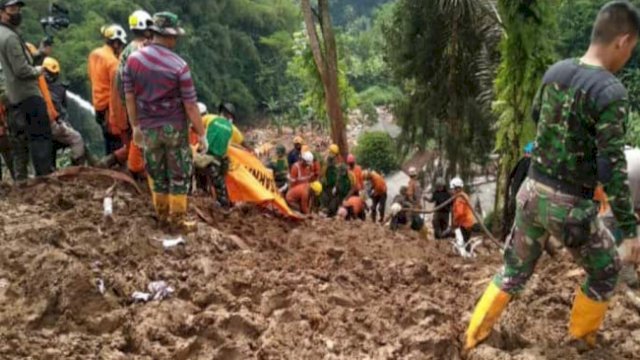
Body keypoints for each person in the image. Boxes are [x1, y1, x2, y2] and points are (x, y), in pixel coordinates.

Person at [465, 2, 640, 350]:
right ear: (622, 41)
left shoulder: (555, 72)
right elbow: (611, 168)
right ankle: (580, 344)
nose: (629, 55)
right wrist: (630, 231)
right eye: (632, 47)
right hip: (570, 205)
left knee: (513, 271)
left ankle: (472, 338)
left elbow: (535, 114)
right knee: (605, 271)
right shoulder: (610, 93)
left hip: (531, 192)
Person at [124, 11, 207, 230]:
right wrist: (201, 133)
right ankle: (178, 221)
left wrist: (135, 127)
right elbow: (190, 105)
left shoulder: (133, 61)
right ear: (169, 36)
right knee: (178, 173)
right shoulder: (179, 66)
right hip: (174, 128)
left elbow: (129, 96)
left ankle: (162, 217)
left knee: (156, 171)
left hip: (148, 128)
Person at [0, 0, 54, 182]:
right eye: (12, 9)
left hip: (15, 95)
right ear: (2, 12)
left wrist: (39, 53)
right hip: (27, 94)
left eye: (18, 8)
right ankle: (44, 177)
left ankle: (22, 181)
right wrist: (40, 70)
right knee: (40, 136)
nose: (17, 12)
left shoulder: (5, 34)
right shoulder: (10, 38)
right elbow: (22, 70)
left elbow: (22, 60)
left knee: (20, 142)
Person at [100, 10, 154, 170]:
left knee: (132, 142)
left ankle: (111, 162)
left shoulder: (129, 50)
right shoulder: (140, 51)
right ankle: (135, 172)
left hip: (122, 104)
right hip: (134, 105)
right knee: (139, 142)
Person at [43, 57, 94, 166]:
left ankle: (50, 169)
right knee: (77, 139)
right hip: (53, 125)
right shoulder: (59, 89)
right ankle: (77, 168)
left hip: (40, 130)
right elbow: (63, 111)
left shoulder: (35, 86)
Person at [88, 23, 127, 156]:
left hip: (98, 107)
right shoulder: (113, 63)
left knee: (108, 143)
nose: (121, 49)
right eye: (121, 45)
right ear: (115, 43)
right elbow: (116, 92)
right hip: (110, 111)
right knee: (116, 146)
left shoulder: (94, 54)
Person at [503, 142, 534, 237]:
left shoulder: (522, 161)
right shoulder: (527, 162)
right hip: (521, 197)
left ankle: (509, 235)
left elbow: (510, 177)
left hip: (516, 196)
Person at [450, 177, 479, 252]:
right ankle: (467, 253)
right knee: (466, 240)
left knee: (463, 240)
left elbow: (459, 212)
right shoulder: (463, 196)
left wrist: (455, 222)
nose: (451, 191)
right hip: (467, 222)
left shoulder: (460, 198)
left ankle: (466, 255)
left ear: (457, 188)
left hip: (464, 223)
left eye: (452, 189)